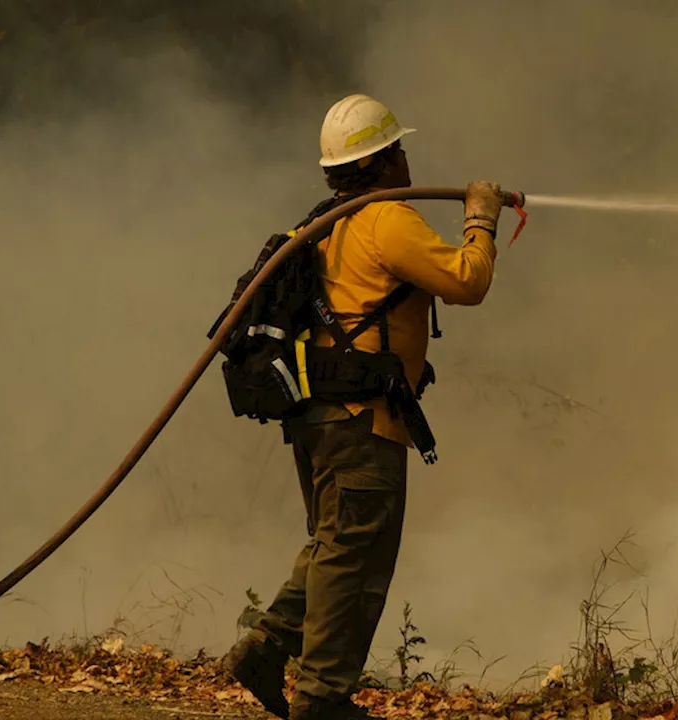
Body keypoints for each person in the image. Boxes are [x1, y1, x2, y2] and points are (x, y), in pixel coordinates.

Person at [220, 93, 505, 720]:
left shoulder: (329, 221)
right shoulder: (386, 220)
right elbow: (468, 281)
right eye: (398, 150)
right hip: (360, 422)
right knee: (354, 562)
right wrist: (481, 218)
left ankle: (268, 649)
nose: (407, 160)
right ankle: (322, 701)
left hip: (320, 416)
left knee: (334, 544)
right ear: (384, 161)